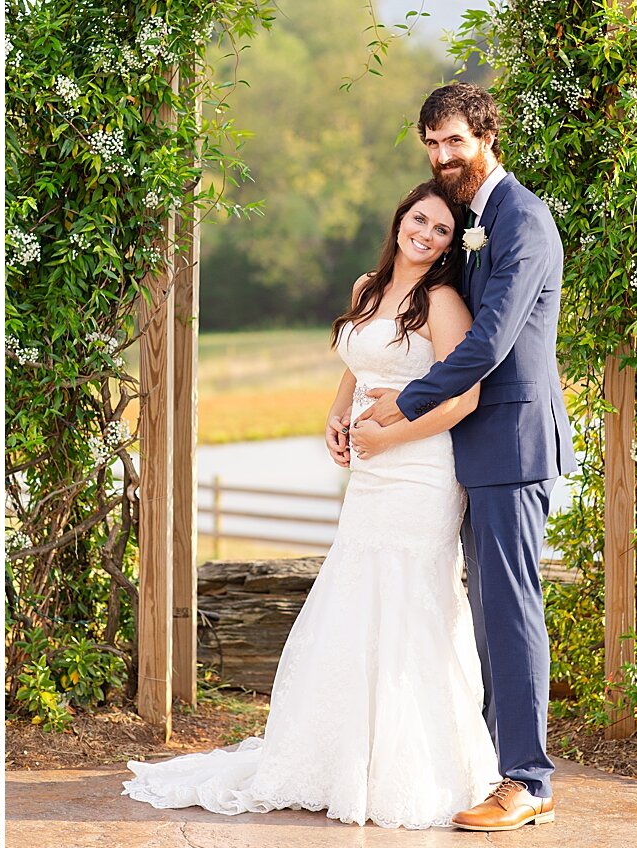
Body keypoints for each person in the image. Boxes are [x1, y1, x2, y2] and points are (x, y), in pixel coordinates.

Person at [124, 180, 501, 829]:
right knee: (357, 591)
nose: (427, 235)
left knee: (411, 596)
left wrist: (388, 434)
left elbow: (463, 399)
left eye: (442, 230)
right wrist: (337, 417)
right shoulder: (366, 288)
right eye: (420, 220)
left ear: (450, 245)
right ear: (399, 219)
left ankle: (408, 763)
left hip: (420, 469)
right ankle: (339, 754)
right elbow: (356, 363)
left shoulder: (442, 301)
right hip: (372, 469)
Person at [356, 82, 575, 832]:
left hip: (511, 444)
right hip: (465, 452)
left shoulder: (525, 221)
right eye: (431, 144)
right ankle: (489, 763)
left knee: (509, 612)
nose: (442, 156)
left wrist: (405, 403)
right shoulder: (473, 222)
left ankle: (527, 781)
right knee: (478, 614)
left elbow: (490, 343)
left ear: (486, 136)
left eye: (454, 141)